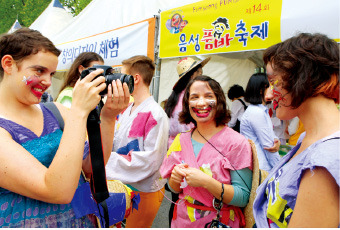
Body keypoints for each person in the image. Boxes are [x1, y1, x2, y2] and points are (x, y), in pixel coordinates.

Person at [0, 28, 130, 227]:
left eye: (51, 73)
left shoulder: (56, 111)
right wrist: (79, 112)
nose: (47, 82)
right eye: (39, 71)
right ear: (8, 64)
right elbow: (56, 191)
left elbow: (90, 166)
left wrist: (109, 117)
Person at [253, 33, 339, 227]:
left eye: (274, 81)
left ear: (303, 78)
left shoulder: (327, 159)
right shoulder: (308, 137)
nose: (268, 94)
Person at [160, 75, 253, 228]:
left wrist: (206, 182)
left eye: (208, 96)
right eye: (194, 97)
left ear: (219, 101)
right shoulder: (180, 140)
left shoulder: (236, 143)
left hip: (219, 223)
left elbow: (243, 197)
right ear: (187, 103)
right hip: (182, 222)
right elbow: (174, 188)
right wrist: (175, 179)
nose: (201, 102)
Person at [105, 55, 169, 228]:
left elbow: (151, 159)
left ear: (135, 79)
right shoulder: (127, 109)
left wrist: (104, 162)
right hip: (123, 186)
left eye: (121, 76)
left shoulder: (155, 114)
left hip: (145, 190)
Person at [164, 56, 210, 225]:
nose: (202, 75)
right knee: (185, 198)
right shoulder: (187, 99)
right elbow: (188, 131)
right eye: (199, 72)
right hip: (185, 154)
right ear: (192, 75)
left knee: (176, 197)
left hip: (173, 152)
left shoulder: (174, 96)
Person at [240, 73, 281, 172]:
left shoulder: (260, 110)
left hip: (262, 166)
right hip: (262, 168)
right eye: (270, 86)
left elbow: (270, 137)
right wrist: (279, 169)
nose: (273, 89)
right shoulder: (256, 112)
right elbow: (269, 147)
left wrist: (276, 140)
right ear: (261, 90)